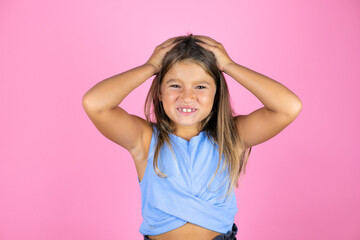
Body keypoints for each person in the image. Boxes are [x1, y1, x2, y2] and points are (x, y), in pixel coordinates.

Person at [82, 34, 302, 240]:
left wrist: (229, 66)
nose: (187, 96)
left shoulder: (231, 137)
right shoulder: (145, 139)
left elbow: (288, 107)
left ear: (216, 94)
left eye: (200, 86)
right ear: (159, 92)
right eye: (175, 85)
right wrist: (150, 68)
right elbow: (95, 104)